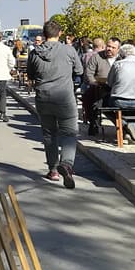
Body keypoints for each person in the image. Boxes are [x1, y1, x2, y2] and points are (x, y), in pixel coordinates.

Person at [26, 20, 83, 188]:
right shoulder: (69, 50)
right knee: (69, 133)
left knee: (49, 134)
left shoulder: (35, 53)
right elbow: (79, 71)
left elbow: (30, 74)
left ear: (44, 35)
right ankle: (66, 164)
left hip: (43, 97)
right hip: (65, 97)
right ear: (60, 33)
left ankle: (53, 170)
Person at [104, 43, 135, 142]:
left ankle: (124, 125)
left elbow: (109, 82)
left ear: (121, 54)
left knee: (103, 105)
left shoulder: (118, 64)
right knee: (133, 110)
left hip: (118, 100)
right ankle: (129, 129)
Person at [83, 37, 121, 136]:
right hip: (100, 87)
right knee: (90, 97)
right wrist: (94, 82)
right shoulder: (97, 57)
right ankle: (93, 123)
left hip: (118, 88)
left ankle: (125, 126)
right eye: (108, 46)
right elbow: (88, 73)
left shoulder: (121, 59)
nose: (109, 49)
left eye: (113, 47)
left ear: (118, 49)